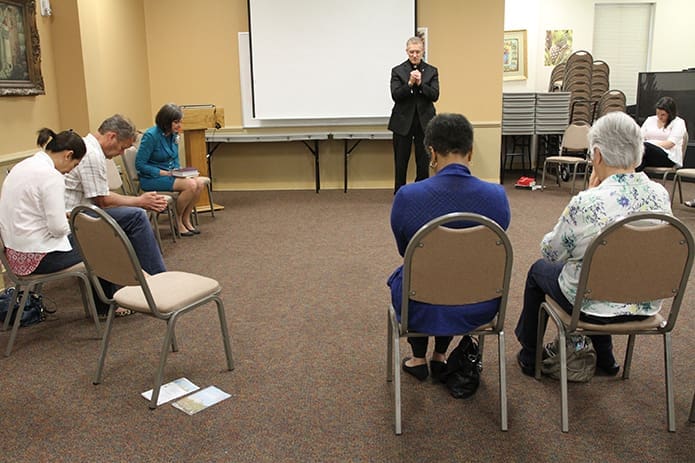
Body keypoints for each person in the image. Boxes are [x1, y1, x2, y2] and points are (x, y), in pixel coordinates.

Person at [515, 111, 673, 377]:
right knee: (614, 267)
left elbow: (552, 252)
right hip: (645, 303)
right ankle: (606, 359)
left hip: (591, 307)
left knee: (538, 270)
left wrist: (587, 194)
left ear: (597, 155)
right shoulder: (660, 194)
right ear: (638, 153)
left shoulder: (588, 202)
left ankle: (530, 355)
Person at [388, 113, 511, 381]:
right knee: (460, 272)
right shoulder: (497, 197)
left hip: (419, 303)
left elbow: (405, 250)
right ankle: (440, 354)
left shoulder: (407, 197)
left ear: (431, 152)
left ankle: (418, 357)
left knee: (412, 274)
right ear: (470, 152)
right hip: (479, 303)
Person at [64, 115, 168, 316]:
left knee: (127, 219)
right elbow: (102, 200)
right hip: (76, 221)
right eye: (122, 147)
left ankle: (142, 283)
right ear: (112, 136)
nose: (121, 153)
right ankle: (158, 282)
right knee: (136, 216)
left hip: (82, 215)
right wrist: (139, 200)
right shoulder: (91, 155)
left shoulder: (88, 149)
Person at [0, 129, 85, 276]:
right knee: (101, 244)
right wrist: (77, 226)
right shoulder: (52, 176)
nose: (71, 171)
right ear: (68, 155)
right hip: (38, 259)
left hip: (13, 255)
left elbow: (27, 209)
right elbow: (58, 229)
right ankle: (106, 298)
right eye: (75, 165)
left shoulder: (21, 166)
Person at [136, 103, 209, 236]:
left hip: (171, 174)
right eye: (176, 122)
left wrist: (181, 172)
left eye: (180, 121)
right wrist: (162, 172)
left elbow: (174, 158)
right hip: (152, 178)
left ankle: (186, 218)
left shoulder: (173, 135)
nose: (179, 125)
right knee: (191, 185)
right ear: (166, 121)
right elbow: (140, 165)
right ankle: (178, 220)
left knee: (198, 183)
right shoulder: (151, 136)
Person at [388, 36, 439, 194]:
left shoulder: (431, 71)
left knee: (423, 162)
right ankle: (400, 193)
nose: (415, 55)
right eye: (411, 52)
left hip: (424, 123)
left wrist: (420, 84)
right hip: (402, 123)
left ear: (423, 51)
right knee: (400, 161)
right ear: (406, 52)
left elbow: (435, 95)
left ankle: (421, 193)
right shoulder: (398, 71)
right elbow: (395, 95)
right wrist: (409, 83)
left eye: (417, 52)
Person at [636, 96, 687, 172]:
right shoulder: (650, 119)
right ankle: (633, 179)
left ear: (670, 113)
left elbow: (670, 144)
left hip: (668, 156)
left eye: (663, 115)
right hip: (647, 154)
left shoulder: (678, 122)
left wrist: (650, 143)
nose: (659, 117)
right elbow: (639, 137)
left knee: (644, 148)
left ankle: (629, 179)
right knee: (639, 159)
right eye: (657, 114)